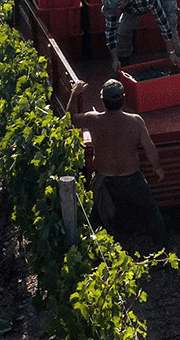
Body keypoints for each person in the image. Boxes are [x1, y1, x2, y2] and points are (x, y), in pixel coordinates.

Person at [68, 78, 167, 248]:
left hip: (105, 182)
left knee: (97, 218)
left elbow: (69, 118)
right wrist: (157, 168)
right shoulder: (135, 121)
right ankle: (163, 249)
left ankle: (98, 252)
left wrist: (74, 93)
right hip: (132, 180)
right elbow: (150, 148)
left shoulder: (93, 119)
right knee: (152, 214)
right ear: (123, 98)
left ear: (102, 99)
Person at [99, 0, 180, 73]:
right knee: (123, 30)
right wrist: (115, 59)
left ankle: (177, 60)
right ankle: (123, 60)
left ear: (123, 4)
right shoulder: (112, 0)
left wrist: (171, 52)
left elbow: (163, 25)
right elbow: (110, 32)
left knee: (171, 25)